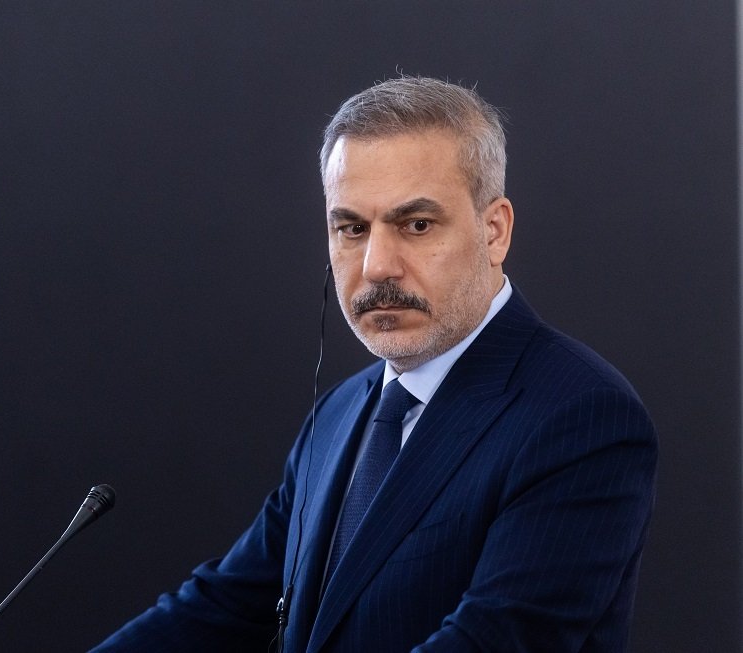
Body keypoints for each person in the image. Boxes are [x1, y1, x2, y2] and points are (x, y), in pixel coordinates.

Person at [89, 76, 658, 652]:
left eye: (416, 225)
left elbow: (492, 640)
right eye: (352, 229)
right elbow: (224, 608)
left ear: (495, 231)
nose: (377, 265)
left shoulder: (582, 418)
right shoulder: (338, 414)